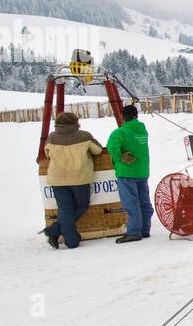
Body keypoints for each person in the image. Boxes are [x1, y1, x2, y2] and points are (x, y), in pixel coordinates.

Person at [42, 111, 103, 249]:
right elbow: (98, 150)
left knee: (65, 208)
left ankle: (63, 234)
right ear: (75, 122)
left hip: (57, 179)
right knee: (81, 205)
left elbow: (47, 153)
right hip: (79, 178)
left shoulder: (51, 137)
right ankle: (66, 237)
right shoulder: (84, 136)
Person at [107, 104, 152, 243]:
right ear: (136, 116)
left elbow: (112, 147)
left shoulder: (119, 132)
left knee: (131, 202)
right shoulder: (142, 131)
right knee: (144, 201)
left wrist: (120, 157)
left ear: (122, 116)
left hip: (127, 172)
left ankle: (134, 231)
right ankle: (144, 229)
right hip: (142, 171)